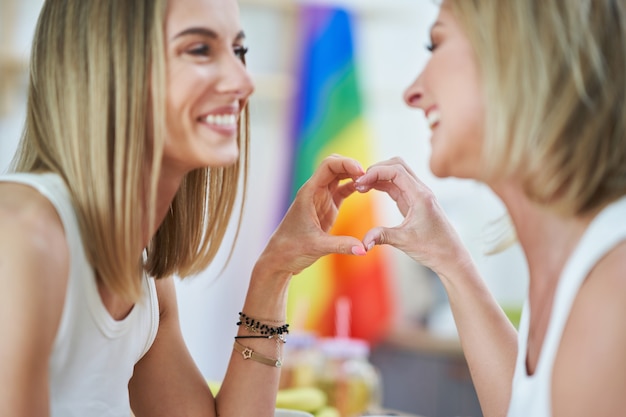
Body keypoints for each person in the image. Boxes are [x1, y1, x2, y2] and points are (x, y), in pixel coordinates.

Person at [0, 0, 370, 415]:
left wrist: (275, 270)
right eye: (200, 50)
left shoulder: (141, 276)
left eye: (239, 51)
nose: (243, 81)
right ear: (112, 70)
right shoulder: (22, 236)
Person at [354, 1, 626, 416]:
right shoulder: (573, 269)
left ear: (519, 56)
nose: (412, 91)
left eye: (436, 43)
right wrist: (447, 257)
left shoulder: (613, 292)